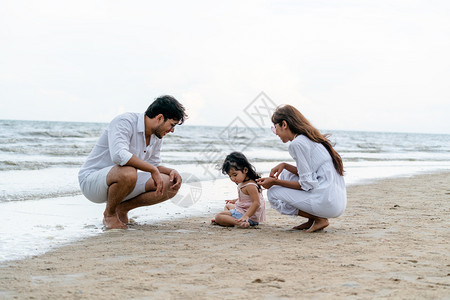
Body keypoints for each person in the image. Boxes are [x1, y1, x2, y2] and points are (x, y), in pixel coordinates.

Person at [78, 95, 187, 229]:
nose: (172, 130)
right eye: (172, 125)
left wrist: (171, 172)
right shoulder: (125, 121)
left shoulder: (156, 136)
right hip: (92, 182)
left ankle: (121, 209)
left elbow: (154, 164)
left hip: (123, 183)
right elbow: (119, 156)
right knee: (128, 171)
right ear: (159, 118)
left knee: (170, 184)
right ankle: (109, 215)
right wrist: (152, 170)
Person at [256, 104, 346, 232]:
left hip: (328, 202)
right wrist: (285, 165)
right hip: (336, 200)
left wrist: (274, 182)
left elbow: (306, 184)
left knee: (273, 193)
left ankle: (319, 219)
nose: (275, 133)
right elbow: (309, 175)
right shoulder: (310, 138)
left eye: (275, 128)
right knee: (286, 173)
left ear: (284, 124)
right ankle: (312, 220)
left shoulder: (297, 143)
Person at [214, 152, 266, 228]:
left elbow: (256, 203)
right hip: (245, 212)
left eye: (235, 175)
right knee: (228, 205)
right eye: (230, 176)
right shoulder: (244, 182)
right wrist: (235, 201)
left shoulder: (250, 185)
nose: (232, 178)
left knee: (218, 216)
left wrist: (246, 216)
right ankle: (229, 220)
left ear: (245, 170)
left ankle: (239, 223)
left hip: (248, 216)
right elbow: (247, 199)